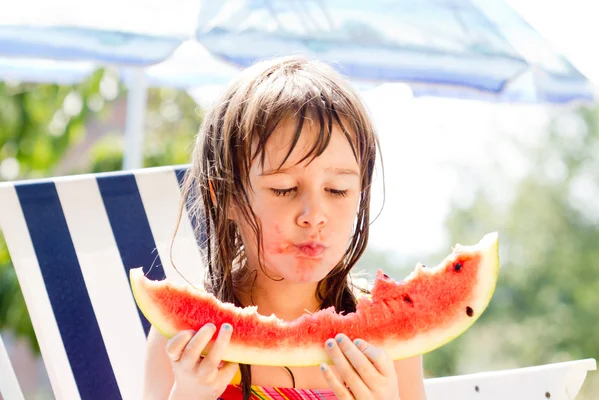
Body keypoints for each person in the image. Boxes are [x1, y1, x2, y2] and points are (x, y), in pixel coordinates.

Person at [142, 56, 427, 400]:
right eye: (284, 189)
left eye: (338, 189)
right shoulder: (185, 339)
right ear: (226, 196)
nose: (314, 215)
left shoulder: (391, 343)